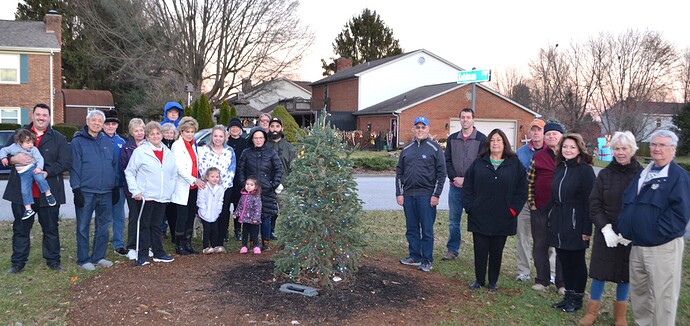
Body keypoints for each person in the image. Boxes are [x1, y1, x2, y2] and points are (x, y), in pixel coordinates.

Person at [617, 130, 690, 326]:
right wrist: (626, 226)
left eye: (662, 145)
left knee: (663, 297)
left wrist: (655, 232)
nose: (656, 149)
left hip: (662, 248)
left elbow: (680, 214)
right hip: (638, 246)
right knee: (640, 295)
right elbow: (628, 201)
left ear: (673, 149)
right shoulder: (644, 172)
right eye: (654, 144)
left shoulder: (678, 177)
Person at [580, 131, 642, 326]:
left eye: (624, 148)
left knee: (625, 274)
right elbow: (594, 203)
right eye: (617, 148)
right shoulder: (605, 174)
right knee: (599, 271)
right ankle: (592, 311)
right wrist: (605, 228)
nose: (620, 152)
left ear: (632, 150)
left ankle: (620, 315)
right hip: (605, 230)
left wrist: (631, 231)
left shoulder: (642, 174)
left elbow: (643, 206)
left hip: (629, 234)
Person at [3, 103, 70, 274]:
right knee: (20, 229)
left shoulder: (59, 138)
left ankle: (53, 260)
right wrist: (12, 159)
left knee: (51, 228)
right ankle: (18, 263)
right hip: (22, 193)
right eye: (38, 114)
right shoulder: (18, 135)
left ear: (49, 118)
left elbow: (64, 163)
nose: (41, 118)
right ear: (32, 116)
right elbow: (4, 155)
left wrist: (47, 172)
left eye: (44, 115)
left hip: (48, 192)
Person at [463, 129, 527, 292]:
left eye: (499, 140)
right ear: (488, 144)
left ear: (504, 143)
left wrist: (513, 210)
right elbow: (468, 186)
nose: (495, 143)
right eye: (492, 140)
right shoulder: (479, 163)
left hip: (503, 216)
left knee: (497, 251)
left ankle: (493, 281)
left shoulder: (514, 164)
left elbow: (522, 191)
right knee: (480, 249)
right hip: (480, 214)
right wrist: (470, 206)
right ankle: (479, 280)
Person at [545, 133, 595, 313]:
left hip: (576, 220)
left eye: (572, 147)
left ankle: (577, 298)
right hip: (559, 219)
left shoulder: (585, 170)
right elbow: (554, 194)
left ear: (579, 149)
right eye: (565, 146)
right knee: (564, 259)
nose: (568, 150)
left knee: (576, 261)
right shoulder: (560, 167)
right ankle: (567, 296)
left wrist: (586, 228)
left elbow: (590, 201)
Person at [396, 116, 446, 272]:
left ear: (428, 129)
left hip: (427, 195)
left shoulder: (435, 148)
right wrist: (400, 193)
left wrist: (436, 195)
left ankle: (427, 259)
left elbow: (441, 174)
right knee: (411, 227)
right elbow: (399, 173)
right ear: (413, 129)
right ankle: (415, 256)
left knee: (427, 229)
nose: (420, 130)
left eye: (423, 127)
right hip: (409, 195)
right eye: (417, 127)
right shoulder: (407, 149)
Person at [70, 110, 119, 271]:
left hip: (106, 191)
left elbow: (113, 166)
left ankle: (98, 256)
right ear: (87, 121)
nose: (97, 123)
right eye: (94, 120)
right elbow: (75, 167)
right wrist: (76, 189)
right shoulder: (78, 141)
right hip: (86, 191)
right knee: (83, 226)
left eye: (100, 121)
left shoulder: (107, 142)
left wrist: (115, 187)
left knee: (103, 226)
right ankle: (83, 259)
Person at [124, 122, 177, 266]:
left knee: (157, 225)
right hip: (145, 196)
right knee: (144, 225)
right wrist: (135, 190)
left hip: (162, 196)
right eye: (152, 134)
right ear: (147, 136)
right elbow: (129, 172)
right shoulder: (140, 152)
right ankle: (142, 255)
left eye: (158, 133)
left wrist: (169, 190)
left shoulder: (167, 152)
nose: (155, 136)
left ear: (162, 135)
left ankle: (158, 253)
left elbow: (173, 174)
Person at [442, 108, 486, 260]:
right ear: (459, 119)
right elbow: (446, 160)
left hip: (474, 189)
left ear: (473, 119)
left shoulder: (482, 139)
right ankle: (452, 249)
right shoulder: (452, 139)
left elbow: (482, 163)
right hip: (455, 188)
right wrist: (454, 177)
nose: (465, 120)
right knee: (454, 221)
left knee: (477, 221)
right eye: (463, 117)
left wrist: (466, 180)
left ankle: (479, 252)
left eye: (468, 117)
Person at [527, 122, 565, 292]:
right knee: (540, 244)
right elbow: (530, 181)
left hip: (562, 209)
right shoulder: (538, 156)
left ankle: (562, 282)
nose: (551, 137)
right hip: (540, 208)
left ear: (562, 136)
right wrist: (532, 203)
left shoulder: (568, 155)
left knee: (562, 246)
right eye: (548, 134)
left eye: (554, 134)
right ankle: (542, 280)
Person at [237, 127, 282, 251]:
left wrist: (273, 184)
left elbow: (278, 169)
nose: (258, 140)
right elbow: (240, 170)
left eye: (260, 138)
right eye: (256, 138)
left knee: (266, 217)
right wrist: (244, 184)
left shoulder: (271, 152)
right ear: (252, 139)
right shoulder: (246, 153)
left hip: (267, 189)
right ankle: (252, 241)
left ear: (264, 139)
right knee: (251, 217)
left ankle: (265, 242)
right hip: (251, 191)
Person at [1, 129, 57, 219]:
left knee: (40, 178)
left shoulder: (33, 149)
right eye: (28, 142)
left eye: (32, 142)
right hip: (23, 174)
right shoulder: (13, 147)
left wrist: (39, 168)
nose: (31, 145)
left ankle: (48, 194)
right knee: (25, 190)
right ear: (20, 142)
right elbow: (3, 150)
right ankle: (28, 209)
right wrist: (4, 158)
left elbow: (40, 159)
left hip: (33, 168)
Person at [514, 118, 545, 281]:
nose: (535, 133)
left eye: (538, 130)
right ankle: (524, 270)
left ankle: (550, 272)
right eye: (533, 130)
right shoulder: (521, 153)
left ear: (543, 132)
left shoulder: (551, 152)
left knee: (545, 238)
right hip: (525, 201)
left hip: (544, 202)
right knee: (523, 236)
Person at [171, 116, 206, 255]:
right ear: (181, 132)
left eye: (192, 131)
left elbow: (196, 164)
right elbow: (179, 168)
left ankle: (188, 242)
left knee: (191, 215)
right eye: (187, 131)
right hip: (183, 185)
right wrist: (193, 179)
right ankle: (179, 244)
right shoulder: (177, 146)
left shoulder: (193, 144)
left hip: (193, 187)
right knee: (182, 216)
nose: (190, 134)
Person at [197, 125, 236, 247]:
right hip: (208, 187)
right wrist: (209, 182)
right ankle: (207, 242)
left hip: (224, 187)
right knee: (208, 211)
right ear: (211, 137)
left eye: (220, 136)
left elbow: (232, 169)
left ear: (225, 137)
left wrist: (222, 186)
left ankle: (219, 242)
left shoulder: (229, 151)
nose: (218, 138)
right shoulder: (204, 150)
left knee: (223, 212)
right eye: (215, 136)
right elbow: (202, 167)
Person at [120, 118, 148, 260]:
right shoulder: (126, 147)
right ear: (132, 132)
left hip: (147, 189)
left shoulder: (148, 146)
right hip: (132, 189)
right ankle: (131, 246)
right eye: (136, 131)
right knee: (134, 216)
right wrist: (134, 188)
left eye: (141, 130)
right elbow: (125, 168)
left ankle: (144, 245)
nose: (139, 133)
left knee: (145, 218)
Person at [265, 117, 296, 239]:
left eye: (277, 126)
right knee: (268, 212)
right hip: (267, 185)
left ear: (282, 128)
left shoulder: (289, 147)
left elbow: (294, 167)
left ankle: (287, 235)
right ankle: (268, 232)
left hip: (284, 186)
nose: (274, 129)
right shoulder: (264, 145)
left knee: (286, 212)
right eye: (272, 126)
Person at [102, 110, 127, 256]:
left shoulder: (122, 142)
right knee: (104, 216)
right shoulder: (98, 140)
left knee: (119, 215)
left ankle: (118, 243)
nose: (110, 126)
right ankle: (102, 243)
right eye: (108, 124)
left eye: (113, 124)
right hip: (104, 186)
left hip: (119, 185)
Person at [227, 117, 249, 241]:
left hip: (240, 178)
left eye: (237, 128)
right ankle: (224, 230)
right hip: (226, 179)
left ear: (240, 130)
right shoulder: (225, 142)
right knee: (224, 206)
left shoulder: (244, 143)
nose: (234, 130)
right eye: (232, 128)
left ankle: (237, 230)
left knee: (238, 206)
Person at [197, 167, 226, 254]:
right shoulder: (203, 187)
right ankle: (205, 247)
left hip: (214, 213)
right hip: (205, 214)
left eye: (217, 177)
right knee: (207, 230)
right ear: (207, 177)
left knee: (215, 230)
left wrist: (218, 210)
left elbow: (221, 200)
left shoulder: (220, 188)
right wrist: (203, 211)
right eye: (212, 176)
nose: (215, 179)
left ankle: (214, 246)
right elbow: (200, 200)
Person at [233, 177, 263, 254]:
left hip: (253, 220)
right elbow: (240, 206)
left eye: (251, 185)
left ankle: (256, 246)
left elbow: (258, 208)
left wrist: (256, 218)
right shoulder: (243, 195)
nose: (248, 186)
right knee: (245, 233)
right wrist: (236, 213)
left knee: (254, 234)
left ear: (255, 187)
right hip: (245, 219)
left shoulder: (256, 197)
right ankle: (244, 246)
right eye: (247, 184)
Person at [160, 122, 178, 240]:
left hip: (175, 180)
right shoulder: (160, 145)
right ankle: (161, 231)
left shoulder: (176, 145)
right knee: (162, 210)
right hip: (162, 181)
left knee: (173, 210)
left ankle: (174, 233)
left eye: (171, 132)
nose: (169, 134)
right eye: (166, 132)